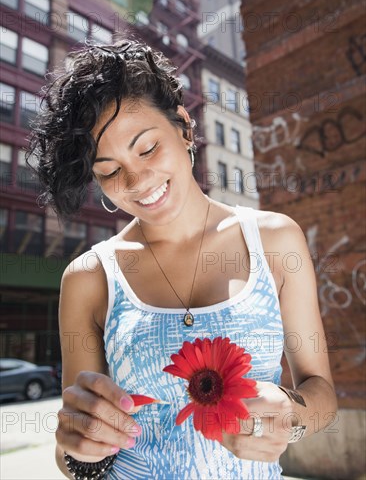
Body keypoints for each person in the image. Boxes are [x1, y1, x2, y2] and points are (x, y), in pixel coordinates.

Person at [27, 38, 337, 480]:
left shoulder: (274, 240)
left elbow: (322, 395)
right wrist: (78, 447)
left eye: (147, 148)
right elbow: (75, 453)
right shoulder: (89, 278)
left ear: (185, 128)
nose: (137, 180)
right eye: (110, 171)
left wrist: (291, 414)